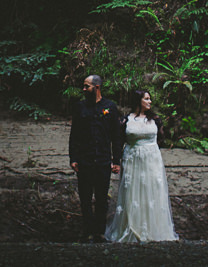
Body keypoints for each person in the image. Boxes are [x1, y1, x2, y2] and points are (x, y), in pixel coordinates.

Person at [105, 89, 179, 242]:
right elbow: (118, 141)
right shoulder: (126, 120)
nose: (150, 102)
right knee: (132, 190)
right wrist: (117, 160)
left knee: (151, 189)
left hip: (151, 159)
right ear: (138, 100)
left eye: (150, 99)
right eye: (146, 99)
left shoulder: (156, 120)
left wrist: (149, 148)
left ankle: (152, 228)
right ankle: (132, 227)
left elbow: (161, 138)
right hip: (132, 158)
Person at [69, 74, 123, 242]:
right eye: (84, 86)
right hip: (84, 160)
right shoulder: (80, 107)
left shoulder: (110, 107)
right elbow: (74, 134)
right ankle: (87, 231)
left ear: (97, 87)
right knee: (85, 198)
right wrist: (73, 157)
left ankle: (99, 232)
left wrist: (116, 160)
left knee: (101, 199)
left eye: (87, 86)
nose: (84, 89)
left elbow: (116, 136)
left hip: (103, 160)